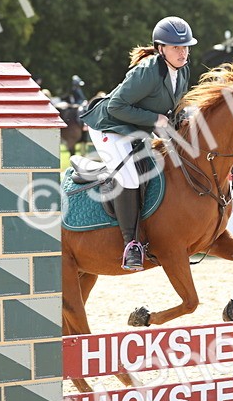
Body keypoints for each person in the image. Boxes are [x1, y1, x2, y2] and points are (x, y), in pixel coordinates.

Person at [80, 16, 196, 270]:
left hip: (138, 130)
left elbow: (173, 108)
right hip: (109, 126)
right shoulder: (147, 71)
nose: (183, 52)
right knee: (130, 177)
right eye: (176, 47)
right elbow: (115, 106)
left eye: (185, 46)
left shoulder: (183, 69)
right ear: (160, 48)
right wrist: (155, 119)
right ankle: (130, 244)